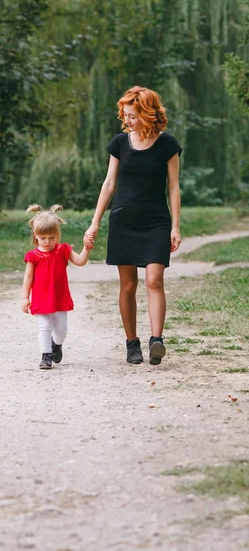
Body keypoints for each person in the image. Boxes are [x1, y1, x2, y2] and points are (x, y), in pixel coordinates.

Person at [83, 86, 182, 366]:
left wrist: (176, 226)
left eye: (133, 116)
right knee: (128, 285)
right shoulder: (120, 143)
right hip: (123, 220)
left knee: (154, 280)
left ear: (148, 114)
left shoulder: (168, 145)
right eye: (125, 115)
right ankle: (132, 344)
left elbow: (174, 187)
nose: (127, 121)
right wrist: (95, 222)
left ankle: (156, 341)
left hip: (155, 222)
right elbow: (109, 183)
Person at [22, 204, 90, 370]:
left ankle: (56, 345)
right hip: (41, 297)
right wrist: (25, 297)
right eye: (43, 238)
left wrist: (87, 248)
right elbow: (28, 276)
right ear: (35, 236)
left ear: (57, 235)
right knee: (44, 326)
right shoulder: (33, 256)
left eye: (52, 237)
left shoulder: (63, 250)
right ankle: (45, 356)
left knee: (61, 329)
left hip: (59, 296)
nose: (47, 241)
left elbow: (80, 261)